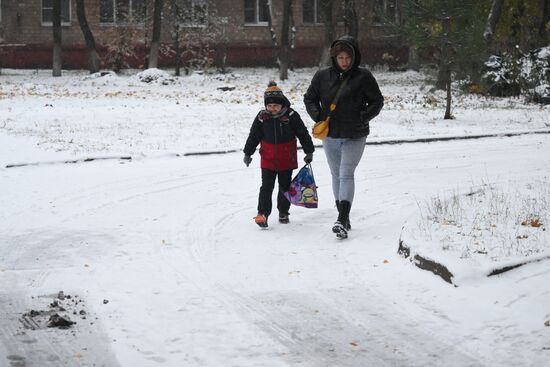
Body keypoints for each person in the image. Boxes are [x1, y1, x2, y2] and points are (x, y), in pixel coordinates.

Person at [304, 35, 384, 239]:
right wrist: (318, 116)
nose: (345, 61)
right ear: (334, 58)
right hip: (330, 135)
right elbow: (310, 98)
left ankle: (341, 218)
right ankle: (344, 216)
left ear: (354, 57)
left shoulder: (363, 77)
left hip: (355, 135)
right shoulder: (322, 77)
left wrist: (363, 117)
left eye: (348, 57)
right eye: (340, 57)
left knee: (346, 173)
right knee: (335, 174)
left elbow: (377, 101)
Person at [243, 82, 315, 228]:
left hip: (286, 158)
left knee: (285, 186)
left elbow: (302, 133)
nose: (272, 108)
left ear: (282, 104)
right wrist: (248, 153)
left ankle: (283, 211)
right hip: (268, 158)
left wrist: (309, 151)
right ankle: (262, 214)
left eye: (275, 105)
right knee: (266, 187)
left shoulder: (291, 116)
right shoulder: (262, 117)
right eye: (269, 106)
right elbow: (254, 136)